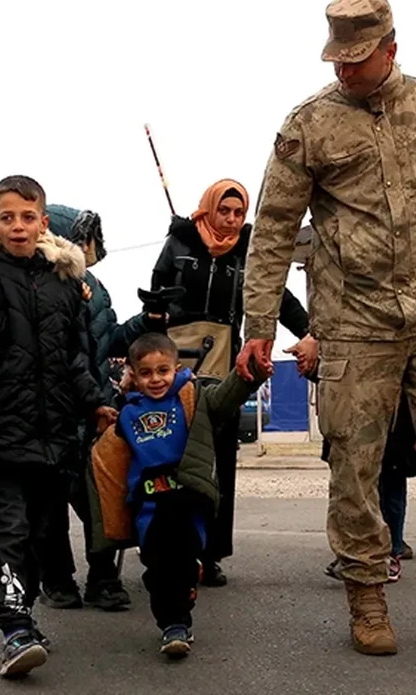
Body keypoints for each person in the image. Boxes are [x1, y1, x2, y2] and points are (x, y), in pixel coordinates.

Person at [238, 0, 416, 656]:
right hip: (353, 319)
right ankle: (366, 597)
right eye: (338, 60)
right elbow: (273, 230)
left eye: (359, 60)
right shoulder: (307, 125)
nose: (346, 72)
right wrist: (258, 323)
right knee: (355, 465)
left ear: (391, 49)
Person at [0, 175, 117, 679]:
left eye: (28, 217)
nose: (18, 226)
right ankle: (13, 625)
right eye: (7, 217)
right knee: (9, 528)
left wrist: (96, 403)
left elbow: (74, 357)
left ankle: (25, 616)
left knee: (39, 534)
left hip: (55, 433)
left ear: (43, 223)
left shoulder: (61, 286)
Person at [150, 178, 313, 588]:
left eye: (239, 212)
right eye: (225, 210)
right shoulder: (179, 243)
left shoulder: (249, 253)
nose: (232, 219)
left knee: (219, 462)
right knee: (167, 457)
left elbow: (278, 299)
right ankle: (163, 546)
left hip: (225, 367)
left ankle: (211, 553)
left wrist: (312, 333)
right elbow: (152, 299)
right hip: (173, 370)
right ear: (209, 209)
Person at [87, 332, 267, 659]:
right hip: (148, 505)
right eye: (146, 373)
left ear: (176, 368)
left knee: (181, 560)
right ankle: (169, 615)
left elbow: (226, 396)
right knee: (157, 568)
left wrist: (252, 372)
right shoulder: (126, 414)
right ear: (133, 374)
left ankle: (177, 624)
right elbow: (105, 457)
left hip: (187, 499)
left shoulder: (192, 398)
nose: (155, 379)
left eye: (163, 371)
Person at [38, 203, 153, 612]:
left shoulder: (97, 288)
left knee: (104, 497)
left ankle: (103, 579)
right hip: (53, 414)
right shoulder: (42, 285)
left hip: (98, 410)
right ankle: (56, 580)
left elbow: (112, 340)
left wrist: (149, 319)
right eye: (85, 238)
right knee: (50, 504)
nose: (92, 246)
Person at [322, 393, 416, 583]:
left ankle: (392, 553)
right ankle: (354, 553)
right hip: (355, 418)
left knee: (391, 489)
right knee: (355, 490)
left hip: (395, 422)